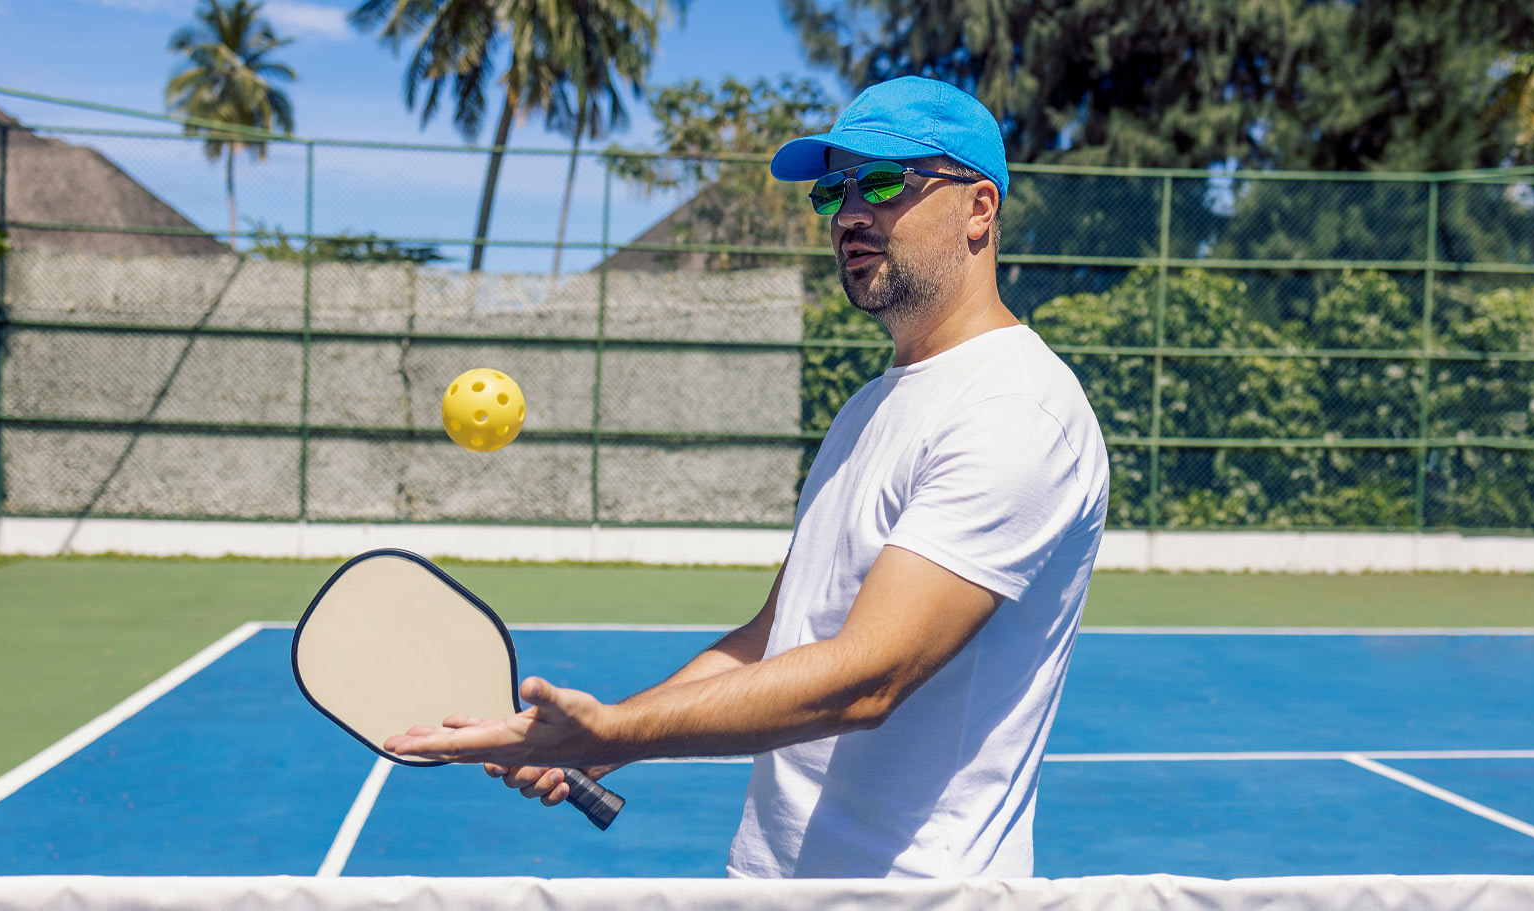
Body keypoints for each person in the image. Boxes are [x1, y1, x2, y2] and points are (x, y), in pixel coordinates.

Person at [385, 76, 1110, 879]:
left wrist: (608, 734)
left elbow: (867, 675)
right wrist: (605, 735)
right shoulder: (870, 408)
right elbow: (776, 636)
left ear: (978, 209)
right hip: (774, 884)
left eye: (880, 182)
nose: (849, 213)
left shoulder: (1016, 409)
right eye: (833, 189)